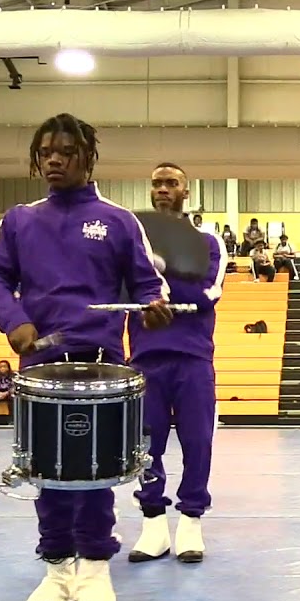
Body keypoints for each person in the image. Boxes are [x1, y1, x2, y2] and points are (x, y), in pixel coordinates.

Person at [0, 113, 172, 601]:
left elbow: (148, 283)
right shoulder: (19, 219)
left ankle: (95, 569)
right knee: (49, 472)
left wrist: (153, 304)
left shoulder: (117, 220)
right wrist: (13, 321)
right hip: (40, 363)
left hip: (101, 365)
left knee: (93, 472)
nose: (53, 160)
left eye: (64, 151)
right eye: (45, 152)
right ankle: (58, 568)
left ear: (88, 158)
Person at [125, 162, 224, 565]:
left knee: (198, 442)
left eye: (171, 183)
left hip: (193, 356)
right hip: (146, 356)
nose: (163, 188)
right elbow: (125, 292)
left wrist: (160, 279)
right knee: (146, 445)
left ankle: (191, 521)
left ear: (187, 191)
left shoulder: (207, 239)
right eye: (156, 183)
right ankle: (153, 522)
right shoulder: (133, 243)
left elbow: (208, 292)